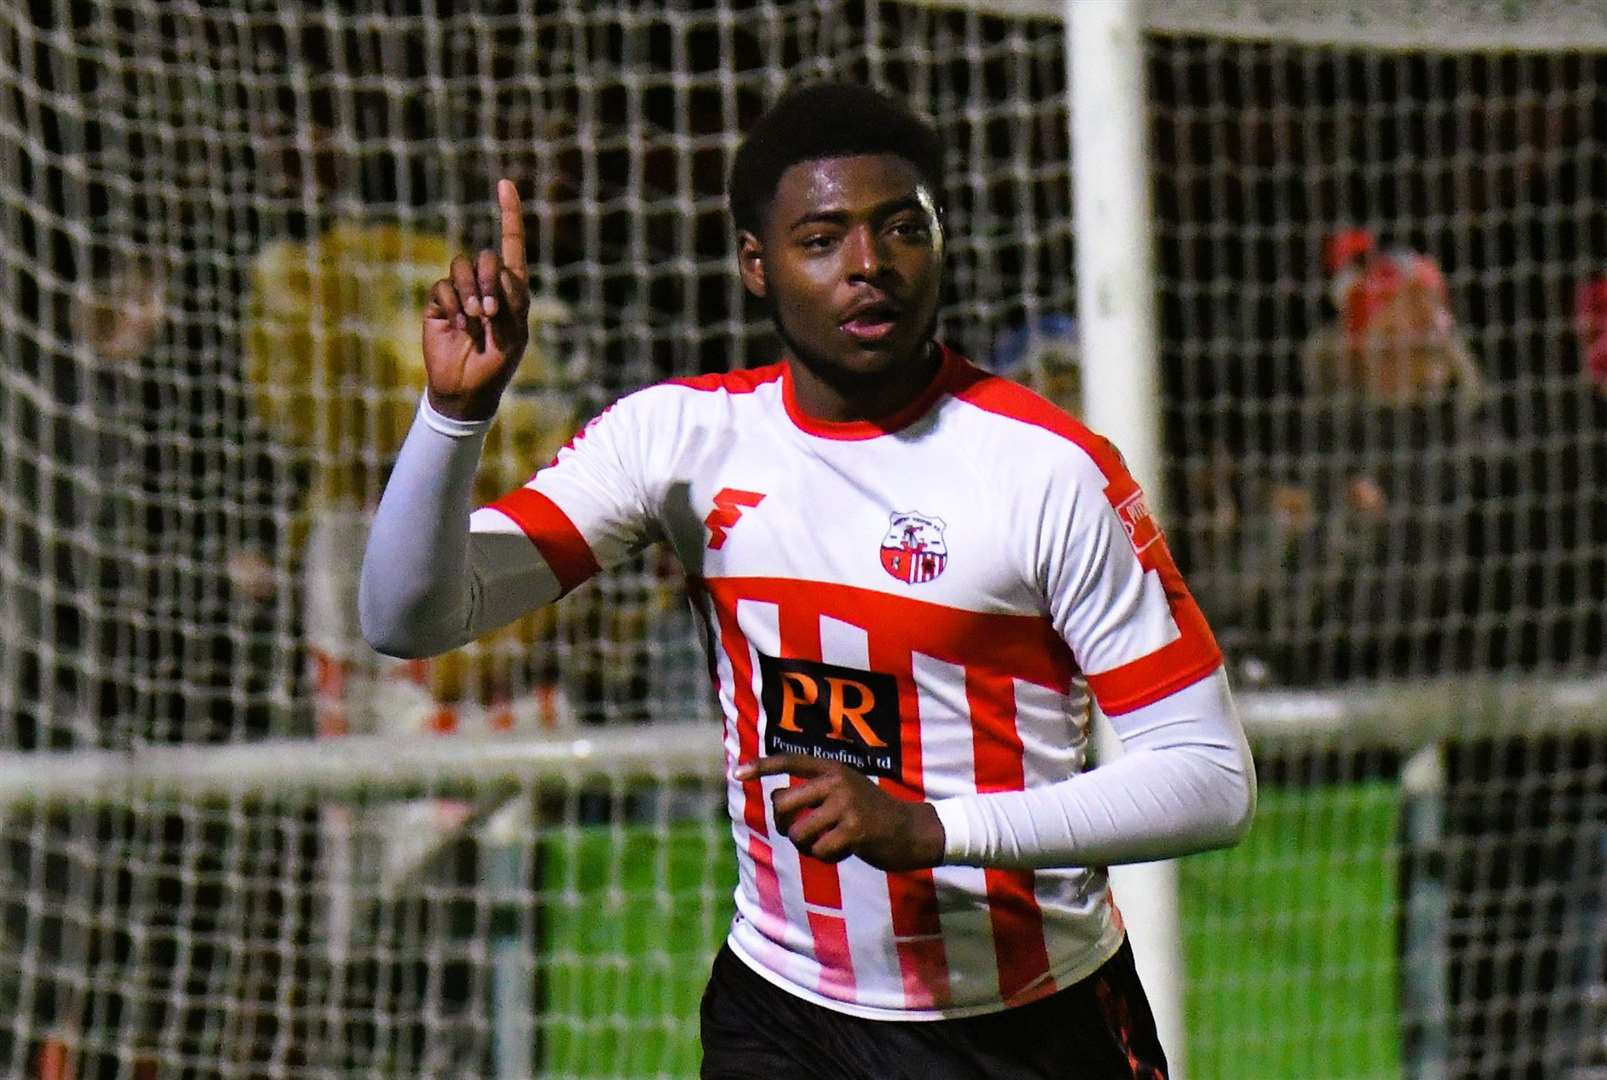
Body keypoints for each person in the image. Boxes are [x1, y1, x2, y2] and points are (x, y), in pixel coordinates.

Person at [359, 81, 1256, 1079]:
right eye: (821, 239)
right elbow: (409, 616)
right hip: (780, 1014)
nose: (868, 266)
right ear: (756, 264)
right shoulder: (681, 443)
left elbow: (1207, 781)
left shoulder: (1047, 470)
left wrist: (930, 830)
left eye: (899, 229)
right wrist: (451, 417)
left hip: (1019, 1021)